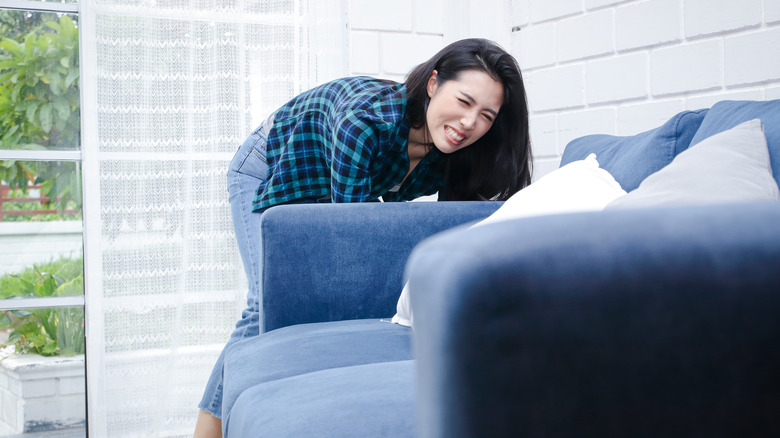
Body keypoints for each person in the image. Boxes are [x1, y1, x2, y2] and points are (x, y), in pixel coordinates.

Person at [193, 37, 532, 437]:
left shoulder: (456, 152)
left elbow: (451, 236)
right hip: (271, 166)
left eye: (487, 115)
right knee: (265, 302)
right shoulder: (365, 122)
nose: (470, 122)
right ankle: (207, 432)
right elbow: (352, 238)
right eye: (463, 101)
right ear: (433, 83)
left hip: (331, 184)